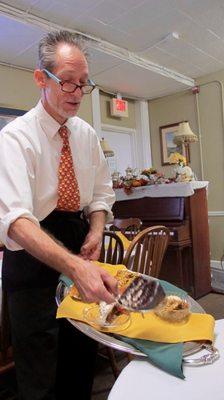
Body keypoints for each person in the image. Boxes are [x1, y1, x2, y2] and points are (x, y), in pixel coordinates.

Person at [0, 30, 118, 400]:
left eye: (84, 84)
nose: (78, 94)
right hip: (32, 258)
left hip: (77, 240)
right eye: (68, 83)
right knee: (41, 378)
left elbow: (100, 196)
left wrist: (96, 229)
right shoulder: (15, 138)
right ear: (41, 78)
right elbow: (17, 222)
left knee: (80, 360)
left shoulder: (86, 135)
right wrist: (74, 267)